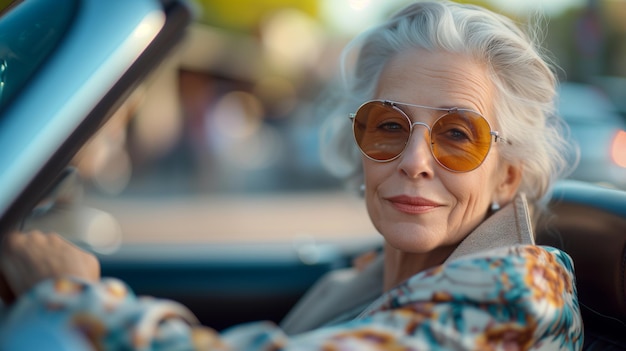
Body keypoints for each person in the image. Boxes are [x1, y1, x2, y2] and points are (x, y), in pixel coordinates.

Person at [0, 1, 582, 350]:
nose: (413, 160)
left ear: (508, 178)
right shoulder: (372, 280)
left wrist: (68, 297)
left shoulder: (518, 296)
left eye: (458, 134)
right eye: (388, 126)